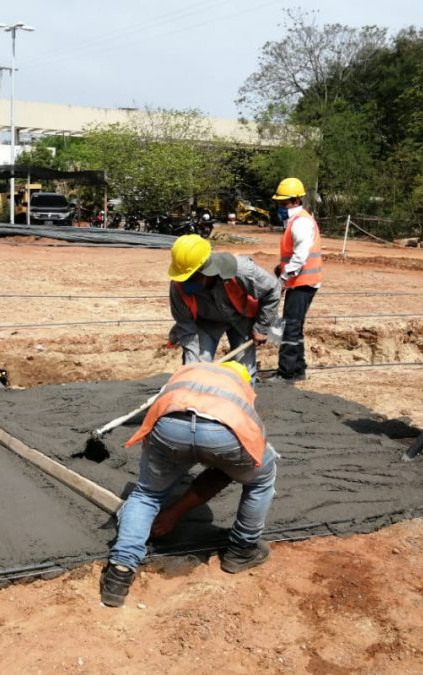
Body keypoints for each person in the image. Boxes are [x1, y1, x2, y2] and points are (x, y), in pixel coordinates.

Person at [100, 361, 278, 607]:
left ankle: (119, 573)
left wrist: (173, 513)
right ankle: (242, 550)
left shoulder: (190, 371)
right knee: (260, 480)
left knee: (147, 495)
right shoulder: (242, 388)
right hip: (224, 432)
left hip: (171, 425)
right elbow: (230, 467)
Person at [167, 234, 280, 379]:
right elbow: (186, 326)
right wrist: (192, 366)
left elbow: (273, 288)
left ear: (206, 270)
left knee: (243, 371)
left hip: (241, 319)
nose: (186, 281)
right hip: (206, 322)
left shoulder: (241, 270)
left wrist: (262, 327)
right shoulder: (178, 286)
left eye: (192, 276)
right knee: (195, 369)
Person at [269, 177, 322, 382]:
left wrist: (283, 277)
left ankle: (287, 373)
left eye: (283, 204)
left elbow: (300, 256)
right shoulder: (295, 221)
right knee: (296, 326)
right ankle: (298, 369)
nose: (281, 207)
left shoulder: (300, 223)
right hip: (300, 281)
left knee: (290, 327)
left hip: (302, 283)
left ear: (294, 200)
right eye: (279, 204)